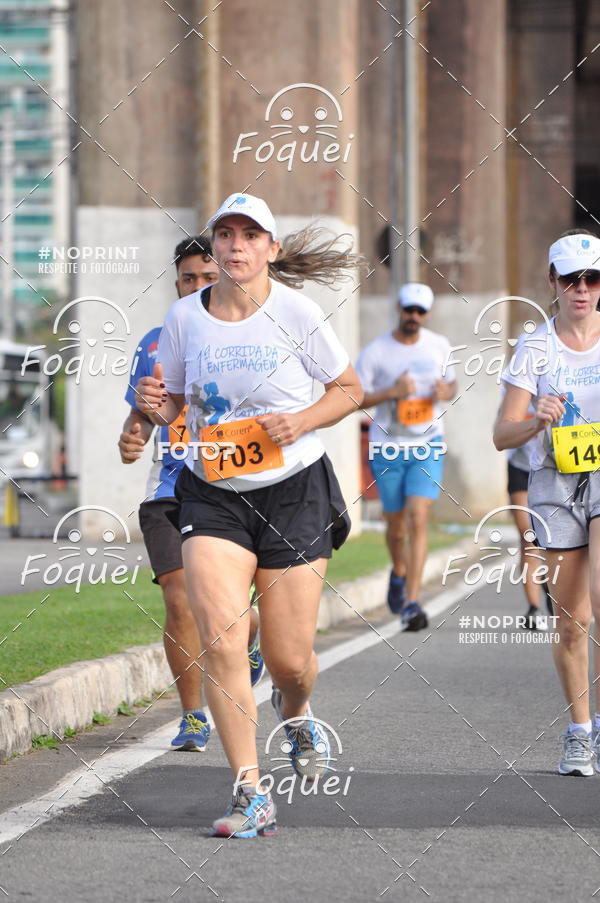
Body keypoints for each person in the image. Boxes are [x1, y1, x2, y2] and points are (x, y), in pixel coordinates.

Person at [135, 193, 363, 837]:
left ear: (271, 249)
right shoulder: (184, 318)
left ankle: (298, 709)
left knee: (289, 659)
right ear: (214, 246)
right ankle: (248, 790)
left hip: (295, 489)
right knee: (222, 636)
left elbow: (350, 389)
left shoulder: (297, 311)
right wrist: (158, 408)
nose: (235, 246)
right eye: (225, 235)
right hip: (212, 493)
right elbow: (176, 404)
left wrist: (303, 419)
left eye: (249, 235)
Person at [118, 235, 264, 754]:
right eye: (188, 279)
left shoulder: (253, 331)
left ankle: (249, 645)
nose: (198, 287)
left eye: (208, 277)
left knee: (232, 615)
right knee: (179, 603)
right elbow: (139, 422)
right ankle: (193, 715)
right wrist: (132, 437)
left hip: (233, 486)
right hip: (171, 488)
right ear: (175, 282)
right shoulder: (158, 340)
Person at [494, 229, 600, 776]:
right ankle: (581, 730)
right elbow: (500, 435)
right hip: (554, 483)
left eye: (592, 278)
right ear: (552, 282)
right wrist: (535, 418)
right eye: (570, 279)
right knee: (571, 623)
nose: (582, 289)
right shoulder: (535, 345)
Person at [356, 283, 457, 630]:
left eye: (420, 311)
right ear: (398, 309)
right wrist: (393, 392)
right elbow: (355, 397)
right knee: (396, 526)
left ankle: (412, 602)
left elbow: (452, 384)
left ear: (426, 314)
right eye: (408, 310)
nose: (413, 317)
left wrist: (447, 390)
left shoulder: (439, 346)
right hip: (388, 446)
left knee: (418, 517)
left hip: (427, 444)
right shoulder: (376, 353)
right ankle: (398, 570)